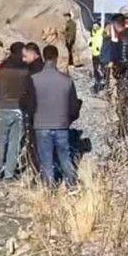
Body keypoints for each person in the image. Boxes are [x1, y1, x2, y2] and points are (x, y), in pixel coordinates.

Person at [31, 45, 81, 188]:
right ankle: (72, 185)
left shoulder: (34, 79)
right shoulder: (67, 80)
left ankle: (49, 188)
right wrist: (68, 120)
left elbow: (29, 104)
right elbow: (74, 107)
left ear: (43, 57)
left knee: (46, 160)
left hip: (41, 125)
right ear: (56, 58)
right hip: (61, 125)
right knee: (65, 157)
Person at [0, 42, 33, 181]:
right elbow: (30, 91)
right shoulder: (26, 71)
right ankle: (9, 174)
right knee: (15, 142)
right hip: (19, 109)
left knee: (0, 141)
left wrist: (0, 100)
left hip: (3, 108)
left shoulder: (2, 69)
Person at [108, 13, 128, 138]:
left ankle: (124, 132)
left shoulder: (123, 38)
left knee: (123, 105)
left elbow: (123, 60)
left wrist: (116, 72)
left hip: (126, 76)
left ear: (116, 24)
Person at [89, 21, 106, 93]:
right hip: (94, 54)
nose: (95, 27)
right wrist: (90, 45)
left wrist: (102, 48)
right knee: (96, 69)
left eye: (96, 26)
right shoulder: (93, 33)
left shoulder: (101, 32)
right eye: (94, 26)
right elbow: (92, 42)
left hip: (100, 54)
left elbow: (105, 40)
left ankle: (101, 83)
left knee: (100, 69)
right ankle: (97, 83)